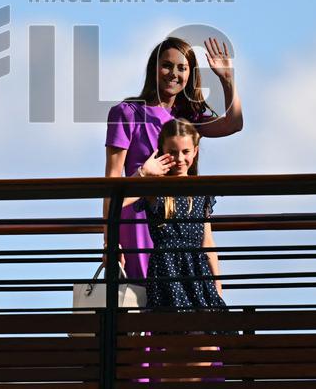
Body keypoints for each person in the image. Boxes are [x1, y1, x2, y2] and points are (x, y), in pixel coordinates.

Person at [104, 36, 242, 281]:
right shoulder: (126, 113)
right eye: (167, 65)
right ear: (154, 69)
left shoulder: (187, 117)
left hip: (180, 222)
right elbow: (111, 182)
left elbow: (233, 124)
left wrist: (228, 80)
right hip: (137, 218)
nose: (173, 73)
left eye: (182, 67)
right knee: (141, 297)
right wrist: (109, 241)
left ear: (190, 74)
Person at [125, 118, 226, 381]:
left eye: (185, 152)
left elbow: (207, 241)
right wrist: (144, 174)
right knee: (175, 350)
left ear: (195, 151)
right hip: (168, 273)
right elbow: (119, 199)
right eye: (171, 152)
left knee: (205, 344)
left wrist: (217, 284)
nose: (179, 158)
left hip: (198, 274)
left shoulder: (201, 190)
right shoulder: (154, 188)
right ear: (161, 151)